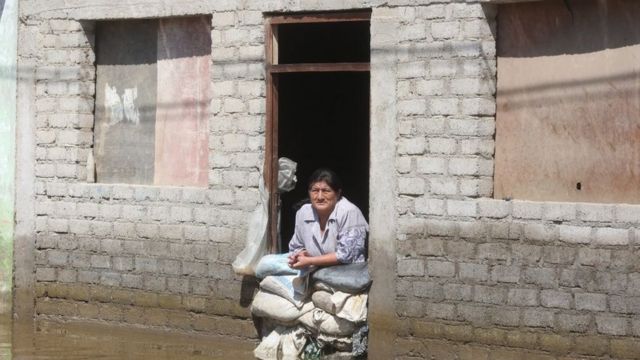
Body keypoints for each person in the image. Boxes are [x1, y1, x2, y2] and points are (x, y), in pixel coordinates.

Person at [288, 168, 368, 269]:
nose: (320, 197)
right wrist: (301, 255)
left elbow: (347, 255)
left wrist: (310, 261)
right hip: (314, 271)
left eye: (326, 191)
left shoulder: (348, 212)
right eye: (315, 191)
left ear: (338, 193)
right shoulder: (303, 213)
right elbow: (295, 246)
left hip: (347, 273)